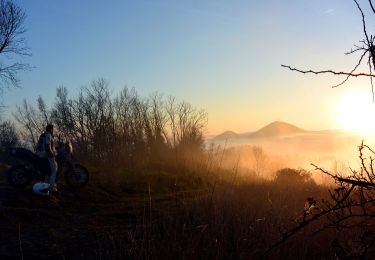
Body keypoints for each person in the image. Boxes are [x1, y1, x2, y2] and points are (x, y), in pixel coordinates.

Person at [36, 124, 58, 193]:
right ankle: (51, 188)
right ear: (51, 129)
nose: (53, 131)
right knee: (54, 170)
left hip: (40, 154)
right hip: (46, 154)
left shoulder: (43, 134)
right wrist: (52, 154)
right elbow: (47, 146)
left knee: (48, 171)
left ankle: (46, 186)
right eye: (53, 129)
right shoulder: (48, 135)